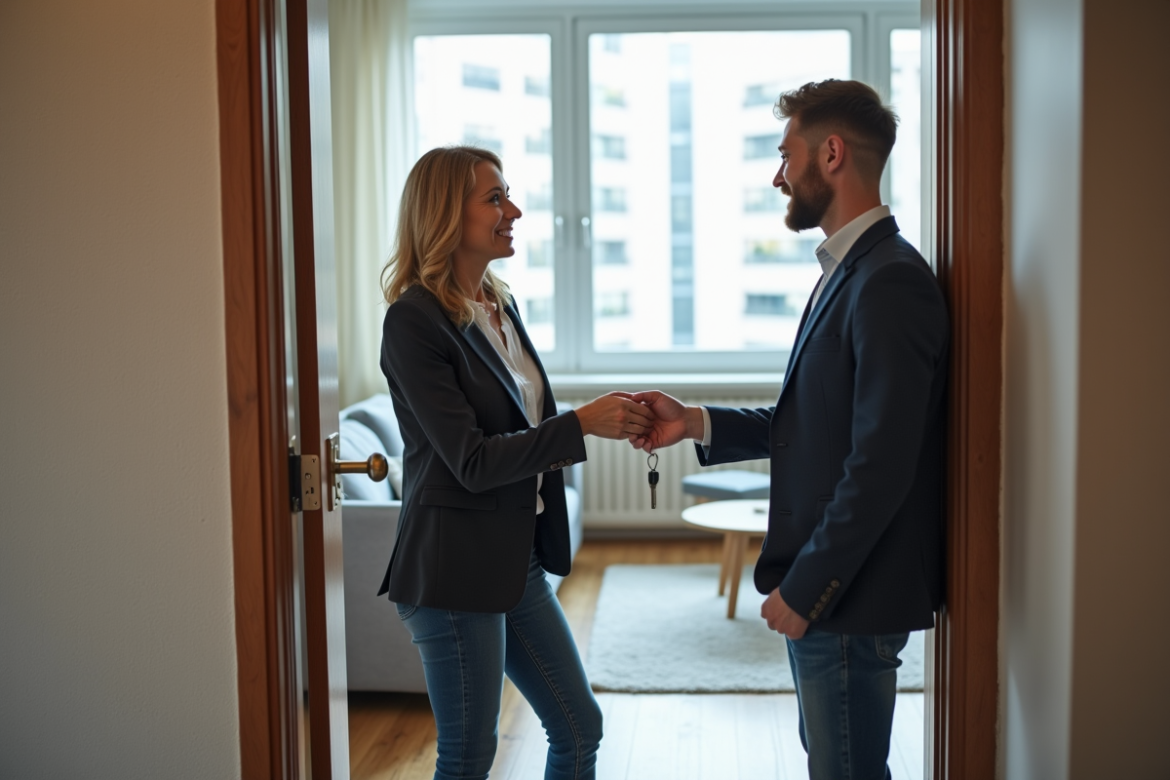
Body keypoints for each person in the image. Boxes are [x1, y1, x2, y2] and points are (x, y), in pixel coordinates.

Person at [629, 80, 949, 780]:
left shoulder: (888, 280)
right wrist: (693, 423)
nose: (778, 176)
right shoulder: (851, 270)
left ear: (830, 154)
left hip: (849, 598)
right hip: (843, 597)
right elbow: (816, 426)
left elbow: (880, 463)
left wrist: (808, 589)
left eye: (785, 154)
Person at [378, 146, 653, 780]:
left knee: (580, 727)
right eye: (495, 198)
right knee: (470, 756)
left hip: (513, 559)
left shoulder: (499, 304)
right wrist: (580, 425)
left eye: (508, 195)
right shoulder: (414, 322)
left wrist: (584, 424)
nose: (515, 211)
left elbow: (519, 423)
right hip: (452, 571)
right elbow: (471, 461)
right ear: (447, 213)